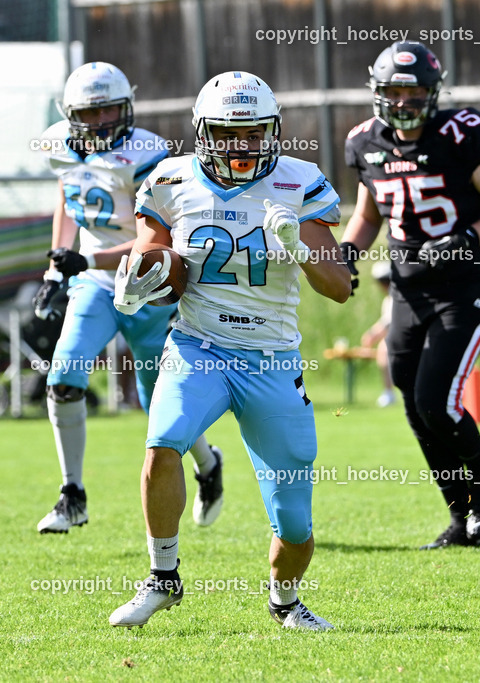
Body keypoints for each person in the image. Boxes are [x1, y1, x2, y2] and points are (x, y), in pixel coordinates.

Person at [107, 71, 351, 630]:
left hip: (272, 358)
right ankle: (162, 578)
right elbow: (155, 260)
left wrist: (298, 247)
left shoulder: (300, 182)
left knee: (293, 523)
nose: (242, 147)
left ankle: (285, 602)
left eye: (254, 133)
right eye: (227, 133)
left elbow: (338, 287)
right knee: (164, 440)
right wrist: (136, 282)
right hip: (200, 345)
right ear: (203, 132)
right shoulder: (169, 180)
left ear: (274, 132)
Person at [340, 41, 480, 549]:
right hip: (408, 288)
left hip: (464, 286)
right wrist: (347, 253)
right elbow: (367, 216)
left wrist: (464, 239)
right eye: (393, 91)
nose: (403, 101)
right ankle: (458, 514)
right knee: (411, 399)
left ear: (433, 92)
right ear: (377, 93)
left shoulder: (462, 134)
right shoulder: (365, 142)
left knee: (435, 399)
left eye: (414, 90)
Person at [32, 62, 224, 534]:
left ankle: (209, 463)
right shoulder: (59, 144)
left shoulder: (148, 154)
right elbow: (68, 195)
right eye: (90, 113)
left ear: (127, 108)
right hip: (93, 281)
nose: (100, 122)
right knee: (64, 375)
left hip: (146, 278)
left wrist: (85, 262)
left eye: (109, 111)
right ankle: (72, 494)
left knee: (157, 399)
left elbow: (155, 238)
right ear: (71, 114)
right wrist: (57, 266)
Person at [360, 262, 396, 408]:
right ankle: (388, 392)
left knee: (384, 348)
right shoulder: (389, 298)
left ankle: (388, 392)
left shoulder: (395, 297)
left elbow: (389, 322)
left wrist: (372, 335)